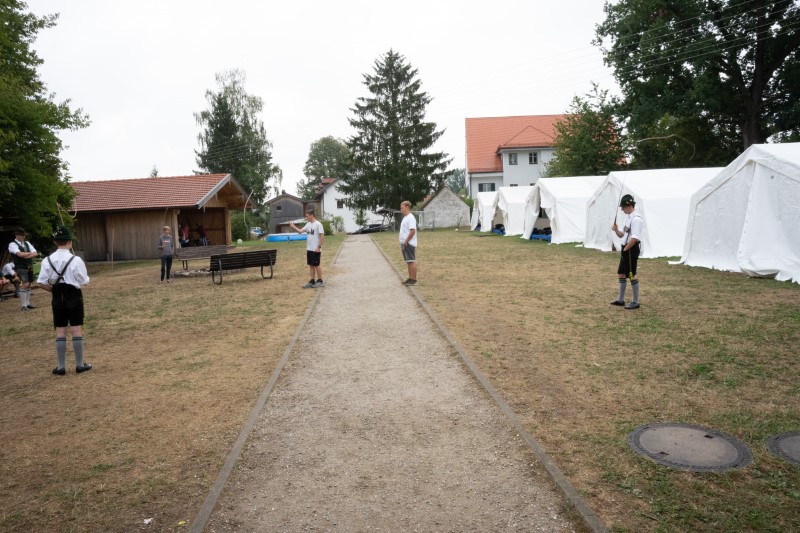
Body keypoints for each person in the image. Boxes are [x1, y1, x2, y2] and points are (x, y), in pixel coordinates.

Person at [37, 225, 92, 376]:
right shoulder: (76, 259)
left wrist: (53, 290)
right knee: (76, 329)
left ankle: (61, 367)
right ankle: (79, 365)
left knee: (60, 330)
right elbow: (85, 281)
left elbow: (40, 282)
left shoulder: (47, 260)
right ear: (70, 242)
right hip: (73, 294)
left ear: (55, 242)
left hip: (57, 296)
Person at [610, 194, 643, 310]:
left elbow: (634, 238)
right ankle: (620, 300)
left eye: (623, 207)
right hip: (626, 248)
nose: (622, 210)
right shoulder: (628, 218)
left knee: (632, 274)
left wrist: (625, 249)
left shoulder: (636, 219)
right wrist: (616, 230)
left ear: (629, 206)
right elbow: (622, 235)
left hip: (630, 249)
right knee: (621, 273)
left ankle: (635, 301)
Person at [289, 208, 325, 288]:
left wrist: (319, 247)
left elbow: (322, 236)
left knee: (316, 265)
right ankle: (312, 281)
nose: (306, 217)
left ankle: (320, 281)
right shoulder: (308, 224)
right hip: (309, 249)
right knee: (311, 265)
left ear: (311, 215)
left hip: (316, 249)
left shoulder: (318, 224)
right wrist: (293, 226)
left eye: (307, 216)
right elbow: (300, 231)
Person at [8, 227, 39, 311]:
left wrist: (25, 255)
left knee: (29, 284)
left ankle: (28, 303)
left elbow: (35, 253)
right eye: (22, 235)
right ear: (17, 235)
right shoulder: (12, 244)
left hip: (29, 266)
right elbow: (19, 255)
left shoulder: (27, 243)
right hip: (20, 266)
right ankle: (23, 305)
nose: (24, 237)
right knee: (25, 284)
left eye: (24, 235)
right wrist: (29, 253)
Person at [399, 200, 418, 285]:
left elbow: (412, 231)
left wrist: (406, 241)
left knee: (411, 261)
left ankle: (413, 279)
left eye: (402, 208)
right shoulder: (405, 218)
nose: (401, 209)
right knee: (408, 261)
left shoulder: (410, 217)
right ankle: (410, 278)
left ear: (407, 207)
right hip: (404, 243)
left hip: (408, 243)